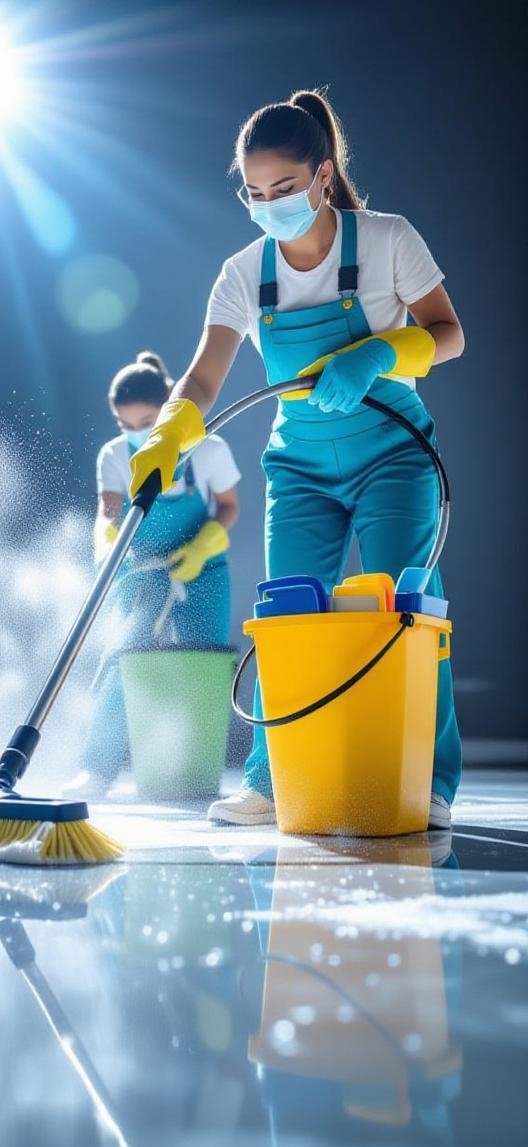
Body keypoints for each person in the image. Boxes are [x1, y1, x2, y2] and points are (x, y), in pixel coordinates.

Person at [127, 89, 464, 830]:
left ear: (321, 176)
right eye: (254, 192)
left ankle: (426, 780)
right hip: (302, 465)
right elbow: (204, 379)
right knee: (289, 612)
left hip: (394, 454)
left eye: (283, 188)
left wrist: (381, 350)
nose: (269, 203)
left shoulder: (386, 239)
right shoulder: (244, 273)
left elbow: (447, 332)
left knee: (407, 606)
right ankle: (273, 781)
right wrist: (167, 436)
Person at [63, 351, 241, 799]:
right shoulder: (113, 457)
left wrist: (202, 547)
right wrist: (106, 545)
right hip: (139, 570)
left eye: (147, 421)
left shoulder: (209, 449)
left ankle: (193, 770)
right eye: (126, 425)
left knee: (202, 663)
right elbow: (108, 513)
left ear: (168, 409)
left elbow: (229, 507)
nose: (137, 433)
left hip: (202, 568)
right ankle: (97, 771)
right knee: (124, 661)